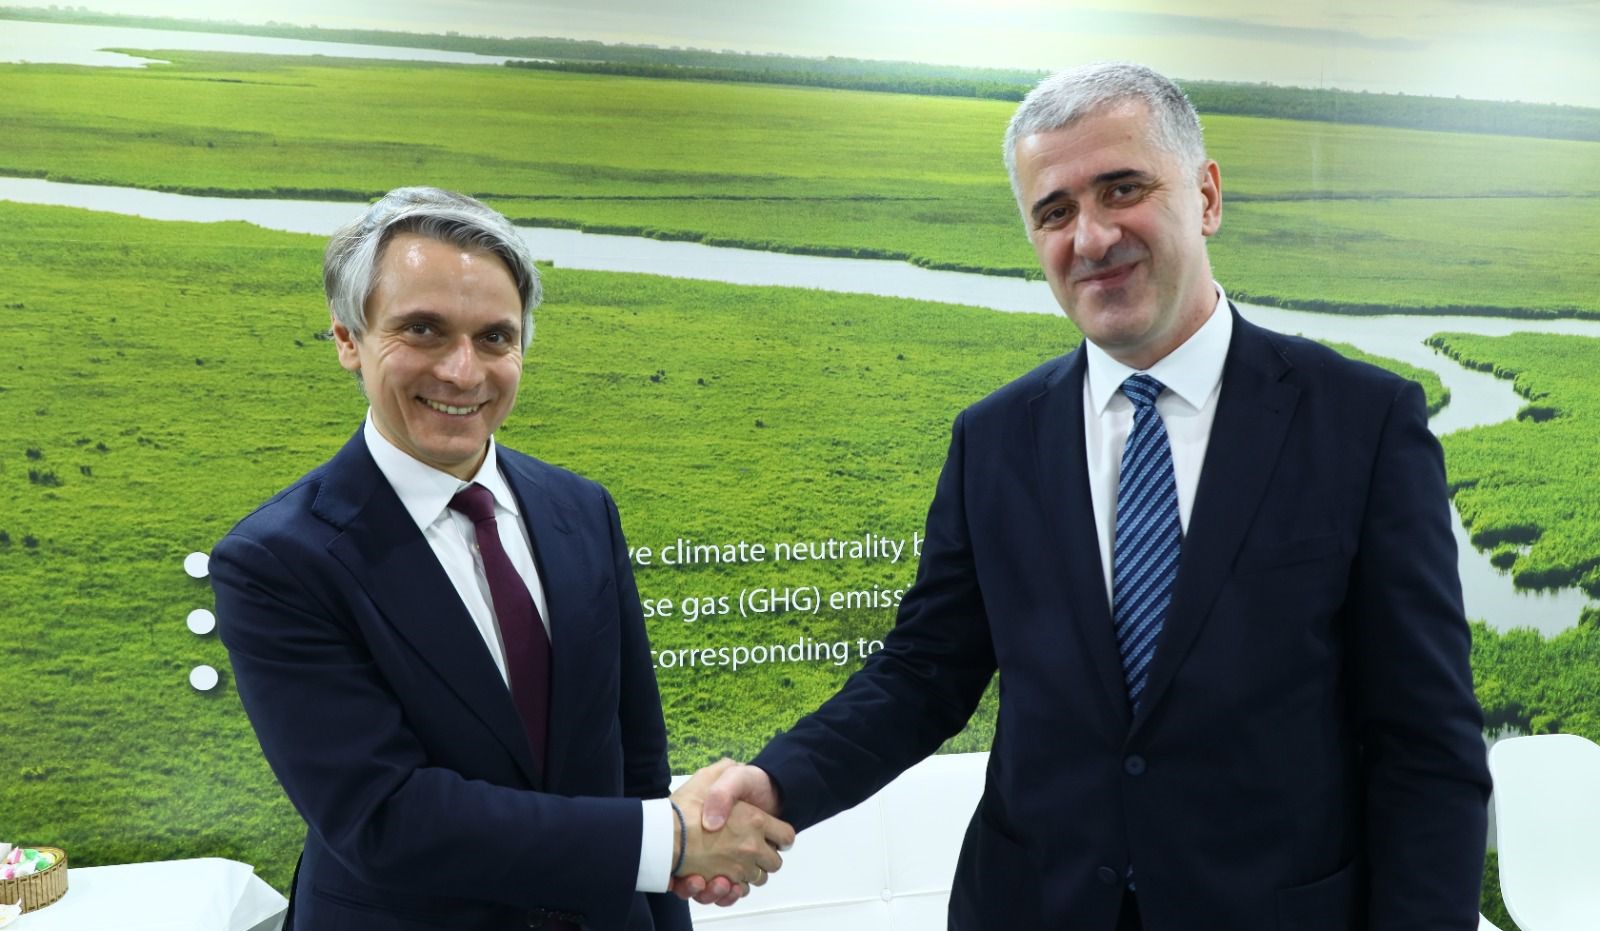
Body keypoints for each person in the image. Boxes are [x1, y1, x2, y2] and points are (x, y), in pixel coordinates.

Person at [679, 62, 1491, 929]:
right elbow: (924, 672)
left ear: (1207, 196)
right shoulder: (995, 437)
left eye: (1123, 189)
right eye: (1055, 211)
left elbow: (1425, 742)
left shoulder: (1363, 423)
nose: (1092, 237)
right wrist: (776, 782)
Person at [211, 186, 793, 931]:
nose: (463, 371)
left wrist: (667, 877)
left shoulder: (583, 509)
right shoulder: (277, 560)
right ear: (348, 339)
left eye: (494, 337)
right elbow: (384, 815)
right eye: (423, 329)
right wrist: (667, 842)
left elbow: (638, 762)